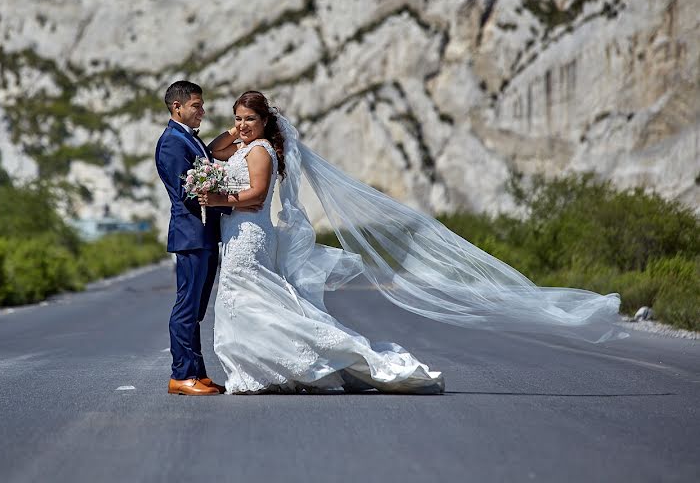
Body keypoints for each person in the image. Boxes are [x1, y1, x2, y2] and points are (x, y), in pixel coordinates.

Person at [199, 91, 623, 394]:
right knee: (254, 299)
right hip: (238, 235)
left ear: (266, 124)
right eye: (237, 118)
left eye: (248, 120)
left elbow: (254, 198)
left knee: (251, 297)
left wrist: (216, 196)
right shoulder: (245, 144)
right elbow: (214, 149)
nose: (240, 126)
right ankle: (265, 366)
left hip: (249, 233)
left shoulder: (259, 153)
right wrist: (236, 130)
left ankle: (292, 362)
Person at [154, 81, 261, 396]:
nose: (202, 111)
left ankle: (197, 373)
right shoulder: (172, 142)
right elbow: (188, 191)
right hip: (191, 234)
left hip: (204, 232)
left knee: (197, 309)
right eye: (197, 106)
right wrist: (225, 194)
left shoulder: (188, 138)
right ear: (178, 107)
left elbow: (208, 162)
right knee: (186, 307)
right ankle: (181, 375)